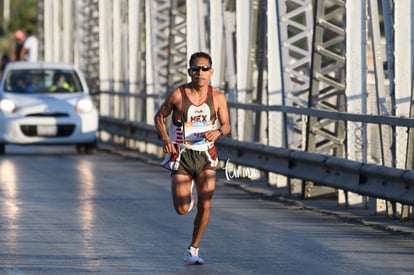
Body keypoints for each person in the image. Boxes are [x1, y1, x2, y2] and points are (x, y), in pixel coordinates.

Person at [154, 51, 230, 265]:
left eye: (205, 68)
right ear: (189, 72)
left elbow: (226, 125)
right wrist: (166, 138)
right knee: (181, 209)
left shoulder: (218, 97)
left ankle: (193, 249)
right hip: (182, 155)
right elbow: (159, 116)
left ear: (211, 72)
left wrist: (218, 132)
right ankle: (188, 198)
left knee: (206, 204)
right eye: (196, 69)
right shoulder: (178, 95)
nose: (200, 73)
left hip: (206, 155)